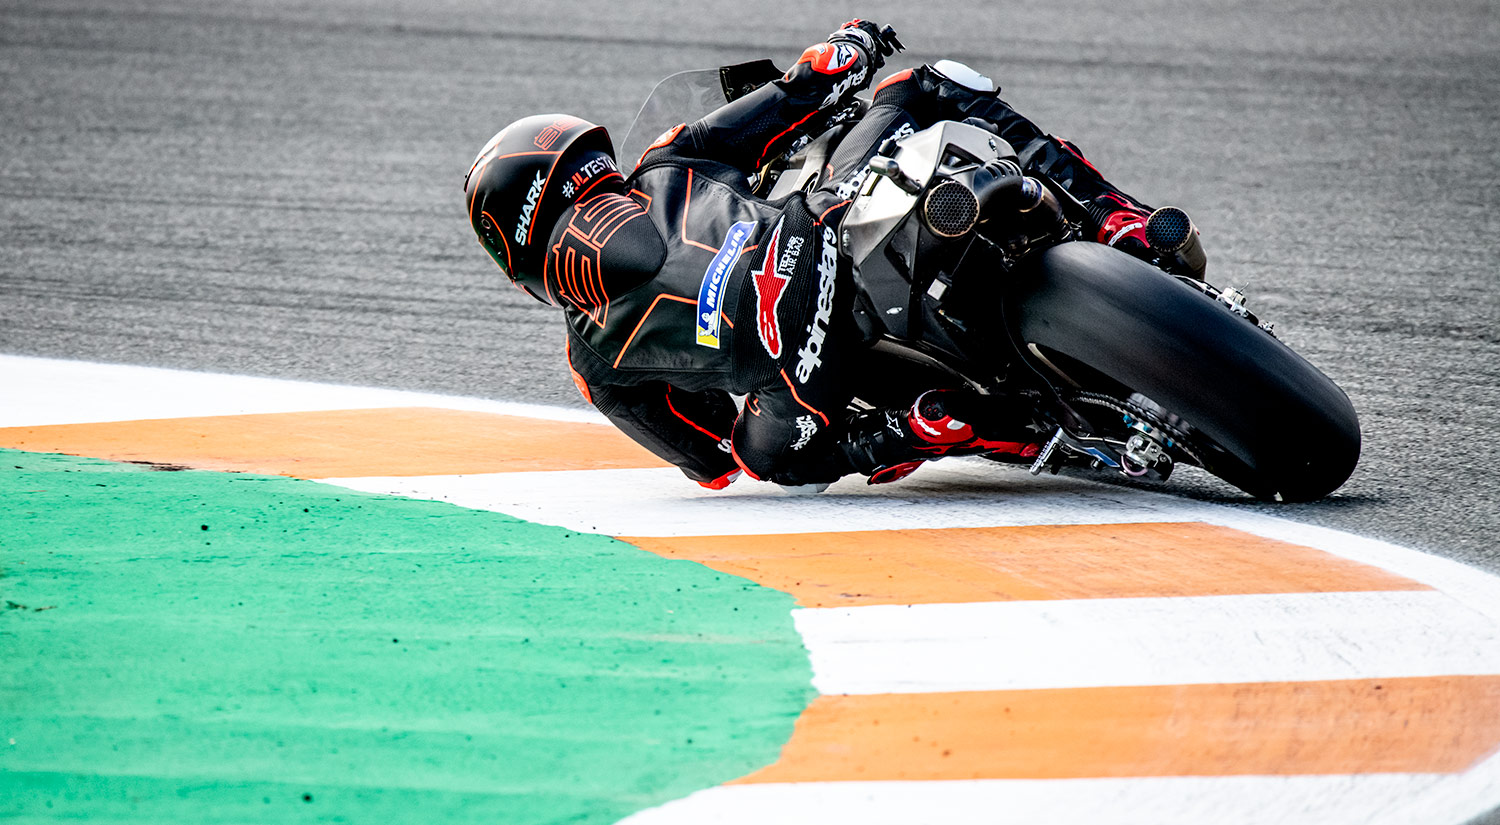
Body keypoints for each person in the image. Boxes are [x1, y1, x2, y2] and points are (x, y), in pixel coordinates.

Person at [463, 21, 1168, 491]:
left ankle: (925, 426)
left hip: (798, 379)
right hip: (815, 230)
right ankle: (1117, 219)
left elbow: (710, 463)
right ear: (589, 160)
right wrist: (855, 44)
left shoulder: (592, 366)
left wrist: (715, 360)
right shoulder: (665, 162)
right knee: (924, 87)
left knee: (765, 456)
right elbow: (802, 91)